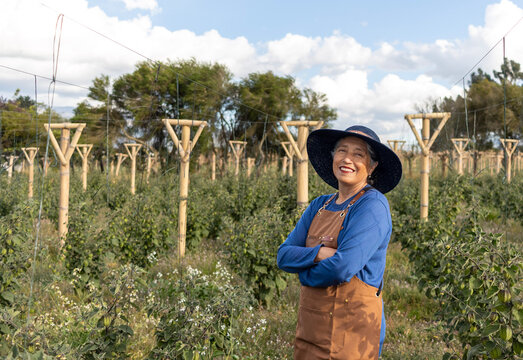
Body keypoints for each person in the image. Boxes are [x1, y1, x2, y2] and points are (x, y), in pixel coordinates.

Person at [277, 125, 402, 360]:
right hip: (311, 330)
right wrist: (320, 252)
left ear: (372, 166)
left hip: (353, 333)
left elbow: (343, 267)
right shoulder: (319, 205)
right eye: (342, 150)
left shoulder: (372, 205)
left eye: (358, 154)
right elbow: (283, 255)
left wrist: (305, 275)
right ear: (333, 156)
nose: (347, 159)